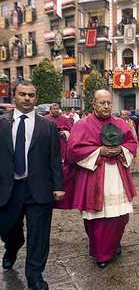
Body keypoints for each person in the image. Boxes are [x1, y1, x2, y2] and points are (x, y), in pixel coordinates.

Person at [0, 81, 64, 290]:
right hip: (8, 188)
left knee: (39, 234)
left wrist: (58, 186)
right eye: (22, 94)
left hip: (39, 189)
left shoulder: (48, 126)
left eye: (31, 95)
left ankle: (35, 275)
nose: (27, 98)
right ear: (14, 97)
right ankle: (12, 247)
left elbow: (55, 158)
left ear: (36, 99)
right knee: (8, 228)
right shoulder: (1, 124)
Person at [66, 90, 137, 268]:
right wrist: (100, 151)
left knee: (120, 216)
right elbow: (74, 150)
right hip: (94, 177)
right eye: (102, 103)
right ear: (94, 104)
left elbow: (132, 143)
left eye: (108, 103)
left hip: (117, 175)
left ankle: (114, 244)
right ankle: (101, 253)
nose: (106, 106)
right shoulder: (82, 124)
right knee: (97, 217)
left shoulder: (120, 123)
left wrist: (121, 150)